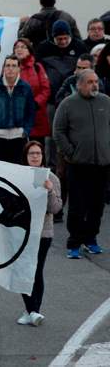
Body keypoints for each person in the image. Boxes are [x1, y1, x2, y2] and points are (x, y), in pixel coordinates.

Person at [52, 69, 110, 259]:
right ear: (80, 85)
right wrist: (70, 153)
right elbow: (58, 131)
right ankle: (74, 242)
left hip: (102, 164)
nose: (95, 85)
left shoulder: (106, 101)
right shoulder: (68, 104)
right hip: (78, 165)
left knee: (97, 205)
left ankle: (91, 239)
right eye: (90, 82)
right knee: (77, 205)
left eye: (96, 81)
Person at [19, 140, 62, 326]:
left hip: (43, 233)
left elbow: (56, 208)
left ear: (43, 156)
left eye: (38, 153)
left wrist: (50, 190)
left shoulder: (51, 177)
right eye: (31, 154)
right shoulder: (19, 176)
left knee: (36, 271)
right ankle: (30, 310)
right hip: (22, 232)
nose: (35, 156)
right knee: (22, 271)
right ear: (26, 157)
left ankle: (34, 310)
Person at [0, 56, 36, 164]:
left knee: (17, 172)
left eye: (14, 66)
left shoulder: (26, 88)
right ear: (3, 68)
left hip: (19, 138)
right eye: (7, 65)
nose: (10, 69)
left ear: (18, 69)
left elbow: (31, 112)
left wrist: (26, 131)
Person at [38, 20, 86, 118]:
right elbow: (38, 69)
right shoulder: (43, 48)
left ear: (70, 36)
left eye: (66, 38)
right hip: (51, 97)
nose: (63, 42)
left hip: (74, 95)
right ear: (53, 37)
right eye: (59, 39)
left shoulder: (79, 47)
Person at [14, 39, 51, 143]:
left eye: (23, 47)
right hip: (16, 116)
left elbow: (46, 89)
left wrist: (35, 103)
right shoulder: (10, 66)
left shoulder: (37, 67)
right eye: (17, 47)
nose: (19, 49)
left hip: (36, 116)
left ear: (29, 50)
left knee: (36, 148)